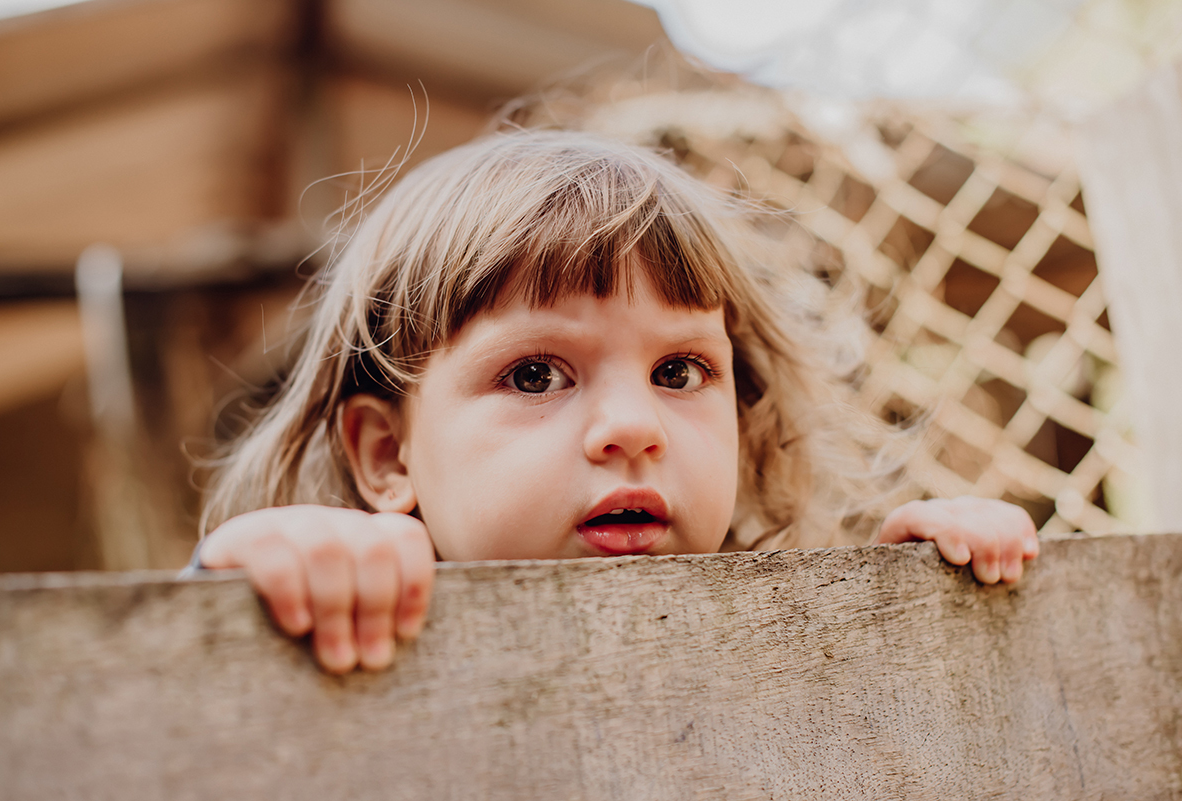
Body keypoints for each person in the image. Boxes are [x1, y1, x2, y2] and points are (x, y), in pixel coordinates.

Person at [191, 129, 1038, 674]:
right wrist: (263, 581)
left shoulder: (791, 641)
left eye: (678, 373)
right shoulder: (346, 626)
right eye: (534, 375)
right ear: (387, 454)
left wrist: (918, 598)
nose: (633, 427)